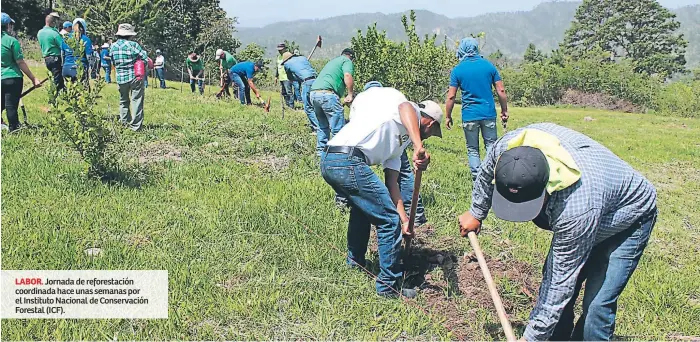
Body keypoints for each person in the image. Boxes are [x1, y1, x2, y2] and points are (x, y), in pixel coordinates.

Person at [458, 123, 658, 341]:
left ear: (547, 186)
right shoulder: (508, 149)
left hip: (629, 217)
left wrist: (530, 338)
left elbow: (558, 286)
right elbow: (488, 169)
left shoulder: (575, 207)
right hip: (596, 205)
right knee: (562, 300)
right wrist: (476, 212)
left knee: (596, 307)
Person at [320, 86, 443, 298]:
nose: (430, 136)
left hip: (332, 160)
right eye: (432, 131)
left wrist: (404, 220)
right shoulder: (407, 111)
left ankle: (355, 263)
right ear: (429, 123)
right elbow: (405, 107)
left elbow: (392, 184)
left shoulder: (398, 145)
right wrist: (418, 145)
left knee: (363, 211)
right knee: (387, 220)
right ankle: (389, 287)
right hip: (346, 159)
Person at [360, 81, 428, 226]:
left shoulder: (364, 103)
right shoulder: (387, 101)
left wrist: (404, 221)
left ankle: (413, 217)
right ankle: (415, 217)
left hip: (387, 143)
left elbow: (405, 107)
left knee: (400, 174)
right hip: (383, 143)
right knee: (403, 174)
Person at [445, 37, 508, 181]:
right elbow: (501, 91)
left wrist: (448, 116)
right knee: (491, 146)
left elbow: (451, 97)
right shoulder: (489, 66)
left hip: (469, 115)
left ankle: (478, 180)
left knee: (473, 149)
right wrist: (504, 110)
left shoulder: (458, 70)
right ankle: (492, 177)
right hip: (488, 114)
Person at [1, 12, 42, 132]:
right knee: (11, 105)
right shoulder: (11, 41)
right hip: (12, 78)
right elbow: (20, 62)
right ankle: (14, 129)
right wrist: (33, 79)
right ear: (8, 25)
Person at [310, 48, 355, 155]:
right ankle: (337, 156)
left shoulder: (333, 61)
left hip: (314, 93)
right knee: (338, 128)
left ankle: (320, 154)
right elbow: (348, 75)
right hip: (328, 94)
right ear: (351, 57)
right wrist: (350, 94)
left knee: (322, 126)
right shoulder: (347, 61)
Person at [110, 23, 147, 131]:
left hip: (121, 77)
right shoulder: (133, 45)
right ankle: (135, 126)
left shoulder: (113, 46)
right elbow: (144, 58)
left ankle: (124, 123)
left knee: (123, 101)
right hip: (135, 76)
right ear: (130, 35)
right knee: (136, 100)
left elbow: (113, 62)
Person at [281, 51, 317, 134]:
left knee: (308, 107)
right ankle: (323, 125)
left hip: (307, 82)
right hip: (317, 80)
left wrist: (296, 79)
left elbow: (290, 77)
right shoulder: (303, 58)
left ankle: (316, 128)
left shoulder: (287, 64)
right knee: (316, 105)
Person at [37, 12, 64, 94]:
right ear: (52, 23)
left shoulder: (40, 33)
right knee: (58, 78)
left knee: (55, 76)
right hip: (55, 58)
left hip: (47, 58)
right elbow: (62, 46)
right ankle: (55, 95)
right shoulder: (54, 33)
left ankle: (60, 92)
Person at [60, 18, 93, 83]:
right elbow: (89, 57)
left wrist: (63, 65)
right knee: (83, 90)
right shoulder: (86, 39)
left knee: (69, 90)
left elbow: (62, 55)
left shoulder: (65, 39)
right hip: (79, 68)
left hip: (66, 68)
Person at [275, 42, 294, 108]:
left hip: (287, 77)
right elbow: (278, 67)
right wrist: (276, 76)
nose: (279, 51)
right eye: (278, 50)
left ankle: (291, 106)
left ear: (284, 49)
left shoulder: (288, 55)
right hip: (281, 77)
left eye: (281, 50)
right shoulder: (279, 57)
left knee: (289, 92)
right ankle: (287, 104)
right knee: (284, 93)